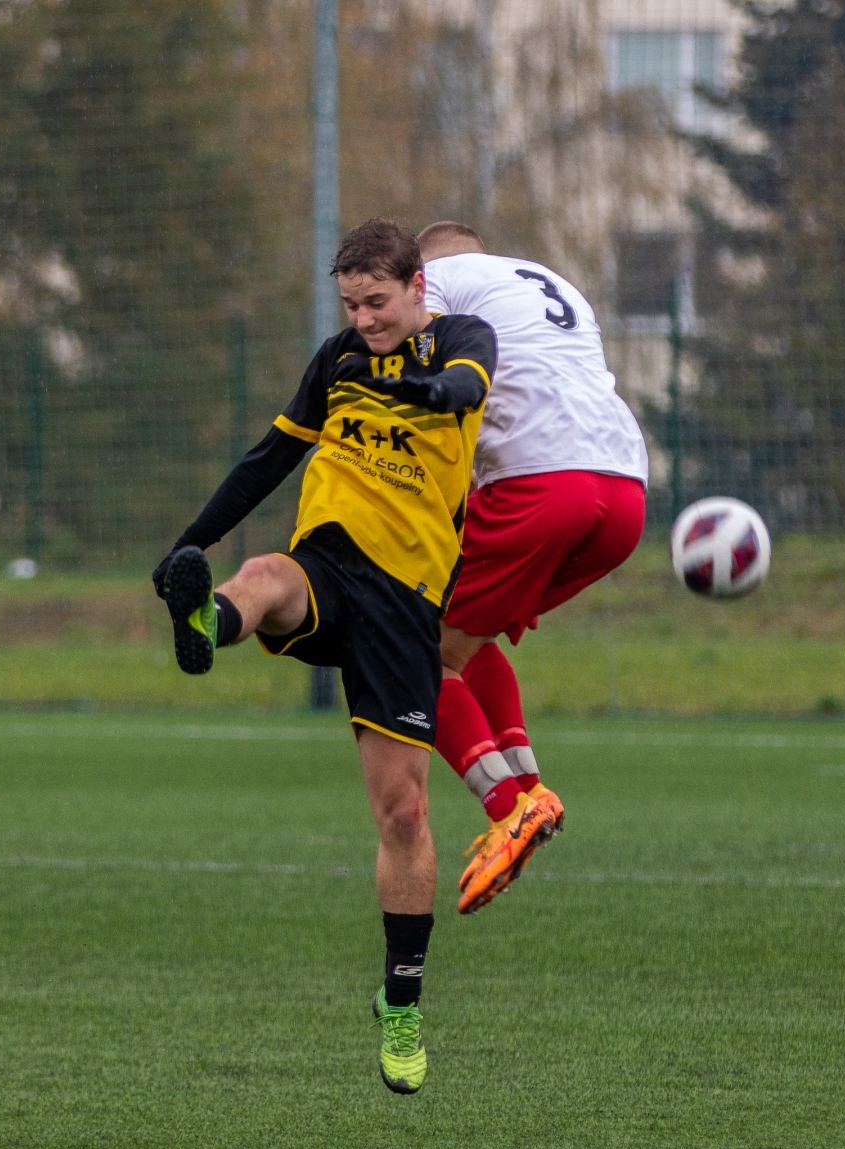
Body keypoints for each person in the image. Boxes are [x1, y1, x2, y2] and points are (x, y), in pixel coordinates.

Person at [150, 217, 502, 1096]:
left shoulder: (461, 338)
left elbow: (465, 386)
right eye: (351, 305)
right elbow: (269, 458)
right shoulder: (338, 360)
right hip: (330, 566)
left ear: (417, 286)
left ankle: (401, 1004)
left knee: (403, 815)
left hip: (405, 603)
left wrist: (422, 387)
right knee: (266, 575)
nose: (364, 320)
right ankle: (204, 620)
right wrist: (189, 541)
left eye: (376, 302)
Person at [415, 221, 649, 916]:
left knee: (412, 648)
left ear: (422, 268)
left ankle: (505, 808)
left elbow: (425, 386)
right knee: (463, 635)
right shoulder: (554, 284)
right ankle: (530, 792)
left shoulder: (437, 282)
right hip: (624, 490)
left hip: (541, 483)